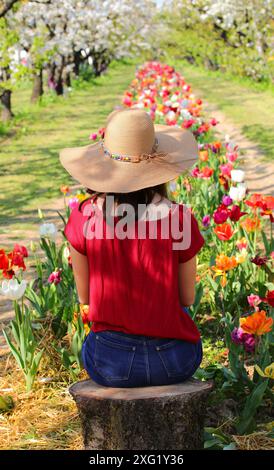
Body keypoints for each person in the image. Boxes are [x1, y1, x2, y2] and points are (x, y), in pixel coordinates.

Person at [60, 108, 205, 388]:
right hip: (176, 362)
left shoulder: (83, 217)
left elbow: (84, 297)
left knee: (96, 337)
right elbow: (187, 298)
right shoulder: (179, 218)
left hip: (110, 363)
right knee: (179, 314)